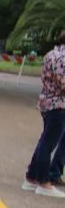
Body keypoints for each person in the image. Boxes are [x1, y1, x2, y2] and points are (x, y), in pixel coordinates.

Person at [24, 30, 65, 196]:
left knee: (45, 141)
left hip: (48, 101)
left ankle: (31, 177)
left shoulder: (52, 54)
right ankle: (43, 182)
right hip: (58, 104)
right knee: (48, 143)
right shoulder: (62, 58)